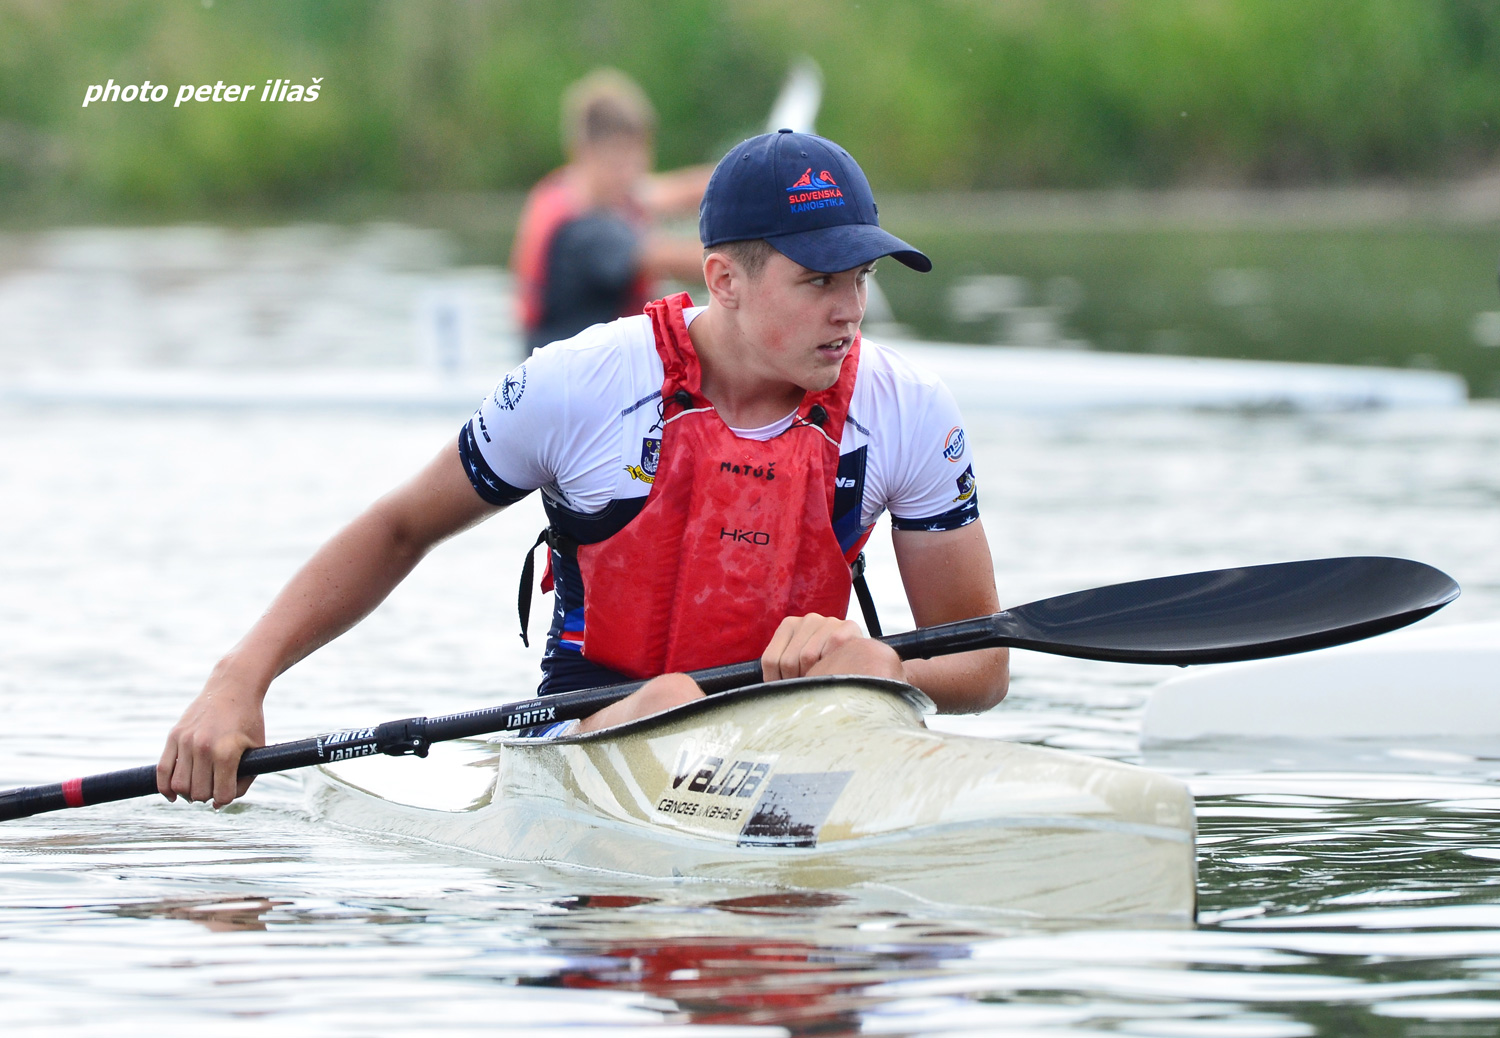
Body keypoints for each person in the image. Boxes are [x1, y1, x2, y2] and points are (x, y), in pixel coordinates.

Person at [158, 129, 1008, 809]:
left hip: (808, 743)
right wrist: (239, 681)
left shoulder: (908, 410)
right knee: (674, 699)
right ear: (725, 279)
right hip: (590, 752)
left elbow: (982, 667)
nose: (851, 309)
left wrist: (884, 665)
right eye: (819, 278)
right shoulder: (581, 387)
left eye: (860, 276)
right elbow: (401, 527)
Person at [511, 68, 710, 355]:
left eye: (638, 157)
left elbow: (679, 191)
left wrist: (747, 173)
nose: (632, 171)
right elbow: (682, 261)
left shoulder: (585, 189)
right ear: (585, 152)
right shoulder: (586, 232)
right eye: (620, 159)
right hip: (576, 386)